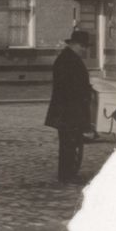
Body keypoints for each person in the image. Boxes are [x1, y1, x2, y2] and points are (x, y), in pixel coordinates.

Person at [44, 29, 96, 185]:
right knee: (69, 144)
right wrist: (86, 90)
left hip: (68, 110)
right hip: (69, 111)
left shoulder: (68, 58)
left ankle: (68, 173)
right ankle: (66, 175)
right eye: (84, 46)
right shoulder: (68, 60)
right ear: (76, 45)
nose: (85, 50)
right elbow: (69, 87)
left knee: (71, 143)